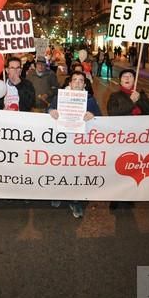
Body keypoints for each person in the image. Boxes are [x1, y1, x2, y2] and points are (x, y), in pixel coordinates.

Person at [48, 71, 101, 218]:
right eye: (74, 80)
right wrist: (51, 111)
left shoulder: (90, 100)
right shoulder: (60, 98)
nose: (77, 82)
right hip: (62, 141)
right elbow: (49, 109)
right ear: (69, 83)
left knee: (77, 172)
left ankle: (75, 201)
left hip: (81, 144)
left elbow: (101, 120)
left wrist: (93, 116)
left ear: (84, 84)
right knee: (60, 169)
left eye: (81, 80)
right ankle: (58, 194)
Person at [107, 68, 149, 210]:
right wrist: (130, 102)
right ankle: (115, 197)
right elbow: (113, 113)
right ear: (120, 81)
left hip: (138, 138)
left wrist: (139, 100)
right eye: (124, 76)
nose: (127, 78)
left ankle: (129, 196)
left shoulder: (140, 94)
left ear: (134, 80)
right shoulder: (115, 96)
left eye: (130, 76)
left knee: (132, 168)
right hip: (121, 138)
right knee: (118, 168)